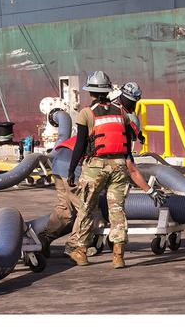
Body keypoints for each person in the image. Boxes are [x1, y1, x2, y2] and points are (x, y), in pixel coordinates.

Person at [66, 71, 168, 268]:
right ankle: (118, 255)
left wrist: (71, 170)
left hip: (95, 166)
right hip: (120, 166)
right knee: (117, 209)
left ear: (91, 92)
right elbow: (129, 140)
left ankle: (80, 252)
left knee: (86, 208)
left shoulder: (86, 113)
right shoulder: (121, 112)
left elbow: (79, 145)